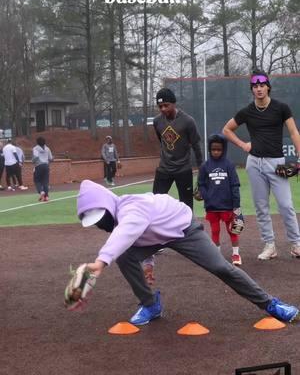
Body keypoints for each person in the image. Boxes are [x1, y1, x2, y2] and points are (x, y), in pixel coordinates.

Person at [76, 179, 299, 326]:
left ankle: (270, 303)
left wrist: (100, 262)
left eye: (100, 219)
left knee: (221, 267)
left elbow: (127, 231)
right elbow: (135, 236)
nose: (100, 225)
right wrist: (148, 263)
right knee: (125, 257)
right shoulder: (119, 216)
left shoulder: (131, 209)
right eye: (96, 223)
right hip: (157, 234)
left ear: (107, 205)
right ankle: (150, 304)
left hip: (183, 230)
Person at [223, 69, 300, 260]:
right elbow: (226, 129)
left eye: (261, 85)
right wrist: (243, 145)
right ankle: (269, 245)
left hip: (276, 163)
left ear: (268, 87)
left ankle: (296, 244)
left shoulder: (281, 108)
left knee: (286, 205)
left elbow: (293, 132)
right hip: (254, 163)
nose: (258, 89)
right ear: (252, 89)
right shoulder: (247, 111)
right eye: (255, 86)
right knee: (261, 206)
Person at [143, 88, 203, 283]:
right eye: (160, 106)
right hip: (164, 168)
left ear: (173, 103)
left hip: (183, 168)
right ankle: (156, 240)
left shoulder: (188, 121)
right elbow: (162, 141)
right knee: (155, 203)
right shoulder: (158, 121)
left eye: (166, 105)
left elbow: (196, 145)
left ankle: (191, 238)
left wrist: (201, 168)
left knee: (186, 205)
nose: (163, 109)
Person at [198, 133, 243, 266]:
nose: (216, 152)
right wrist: (207, 197)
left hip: (227, 206)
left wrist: (236, 205)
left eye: (219, 149)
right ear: (209, 149)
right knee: (215, 231)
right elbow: (201, 183)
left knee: (233, 231)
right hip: (212, 207)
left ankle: (236, 254)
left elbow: (235, 185)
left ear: (223, 149)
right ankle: (217, 255)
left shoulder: (229, 165)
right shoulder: (205, 166)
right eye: (213, 149)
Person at [32, 137, 53, 202]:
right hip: (46, 166)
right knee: (45, 181)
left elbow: (36, 157)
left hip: (38, 166)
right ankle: (46, 197)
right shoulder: (47, 148)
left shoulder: (35, 148)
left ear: (37, 142)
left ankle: (41, 192)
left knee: (37, 180)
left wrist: (32, 161)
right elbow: (51, 158)